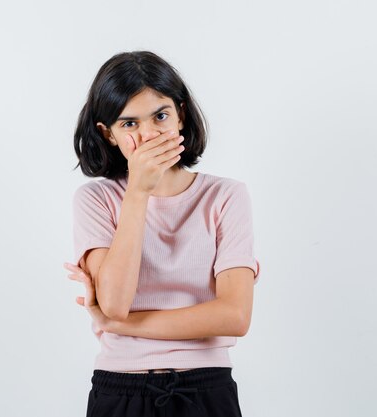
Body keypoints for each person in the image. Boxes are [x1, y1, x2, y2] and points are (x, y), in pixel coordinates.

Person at [64, 50, 261, 417]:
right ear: (108, 134)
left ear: (180, 115)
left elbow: (235, 316)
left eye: (160, 116)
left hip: (206, 387)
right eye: (129, 124)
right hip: (120, 389)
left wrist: (121, 325)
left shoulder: (226, 196)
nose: (149, 134)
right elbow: (115, 302)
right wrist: (138, 191)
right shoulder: (95, 199)